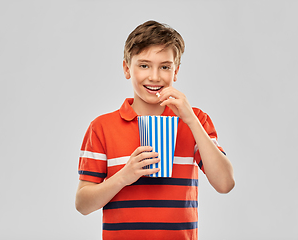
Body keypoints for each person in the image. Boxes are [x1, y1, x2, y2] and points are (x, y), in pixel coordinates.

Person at [75, 20, 235, 240]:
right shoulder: (101, 128)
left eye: (165, 66)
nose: (154, 76)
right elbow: (83, 204)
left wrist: (191, 121)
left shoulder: (195, 120)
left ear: (176, 71)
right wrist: (124, 176)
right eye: (144, 65)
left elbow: (225, 183)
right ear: (126, 69)